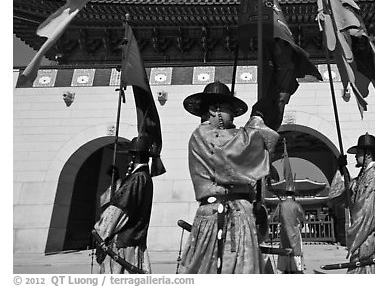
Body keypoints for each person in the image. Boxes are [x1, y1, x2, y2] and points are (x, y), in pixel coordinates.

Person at [178, 81, 280, 274]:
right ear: (214, 110)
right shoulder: (204, 134)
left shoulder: (221, 135)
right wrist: (257, 119)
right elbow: (237, 149)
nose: (233, 115)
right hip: (220, 215)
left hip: (237, 214)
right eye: (228, 109)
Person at [329, 133, 375, 274]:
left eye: (358, 153)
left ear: (367, 154)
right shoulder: (363, 177)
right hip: (366, 233)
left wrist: (355, 233)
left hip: (370, 235)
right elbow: (341, 195)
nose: (356, 156)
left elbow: (366, 210)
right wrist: (342, 171)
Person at [93, 136, 164, 274]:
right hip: (134, 243)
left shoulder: (136, 179)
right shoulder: (143, 178)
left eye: (129, 155)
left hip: (124, 245)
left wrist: (100, 232)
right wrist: (117, 180)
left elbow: (117, 212)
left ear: (133, 156)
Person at [272, 190, 306, 274]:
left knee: (284, 249)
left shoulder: (281, 205)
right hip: (294, 230)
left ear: (285, 195)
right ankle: (295, 267)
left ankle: (285, 267)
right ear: (293, 196)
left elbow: (275, 217)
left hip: (284, 231)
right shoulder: (296, 205)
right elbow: (302, 217)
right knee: (296, 250)